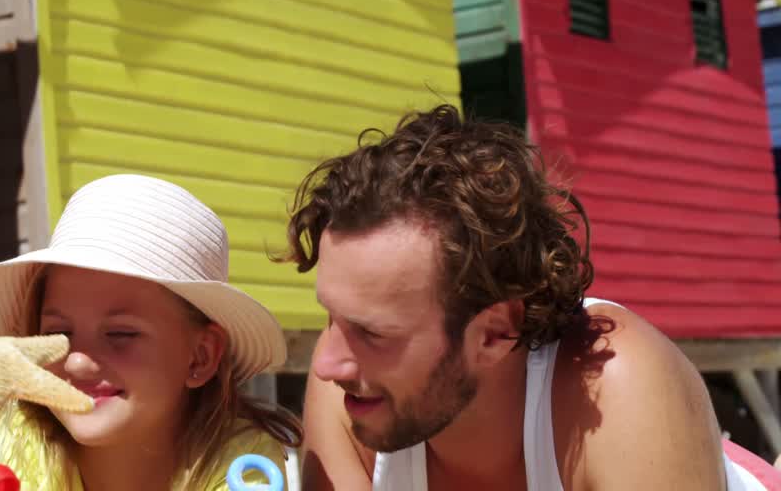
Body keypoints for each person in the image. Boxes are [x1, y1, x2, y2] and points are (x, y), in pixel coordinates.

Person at [288, 105, 776, 491]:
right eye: (332, 318)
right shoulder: (350, 397)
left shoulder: (616, 389)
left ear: (496, 332)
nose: (327, 364)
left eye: (372, 333)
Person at [0, 174, 302, 490]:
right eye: (57, 331)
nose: (77, 363)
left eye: (120, 334)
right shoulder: (20, 443)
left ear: (200, 357)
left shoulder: (243, 467)